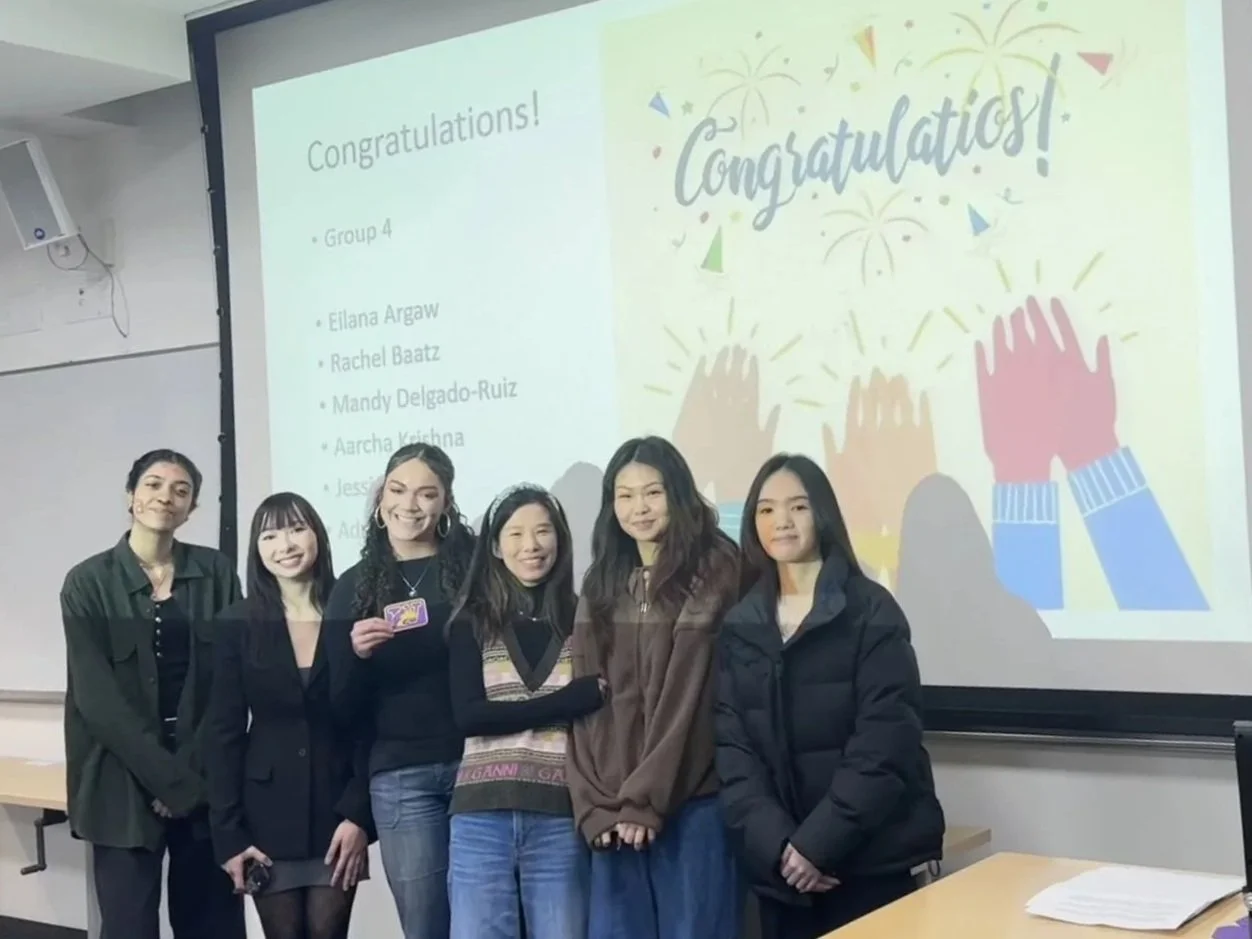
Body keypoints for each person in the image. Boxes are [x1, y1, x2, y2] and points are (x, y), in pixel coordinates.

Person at [715, 454, 945, 939]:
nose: (781, 521)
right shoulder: (740, 625)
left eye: (797, 506)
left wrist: (817, 845)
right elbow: (735, 754)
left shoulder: (871, 610)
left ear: (822, 514)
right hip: (784, 877)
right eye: (766, 509)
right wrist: (781, 848)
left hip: (869, 864)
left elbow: (885, 745)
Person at [61, 449, 246, 939]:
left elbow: (230, 683)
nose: (166, 497)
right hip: (121, 780)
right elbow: (96, 699)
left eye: (181, 491)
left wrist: (189, 774)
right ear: (131, 496)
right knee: (129, 927)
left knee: (213, 925)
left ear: (192, 508)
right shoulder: (87, 582)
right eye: (154, 485)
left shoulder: (216, 573)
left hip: (202, 775)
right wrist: (168, 781)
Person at [567, 436, 742, 939]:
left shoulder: (715, 566)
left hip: (692, 800)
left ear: (678, 494)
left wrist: (646, 799)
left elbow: (688, 695)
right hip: (615, 810)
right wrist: (593, 803)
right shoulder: (602, 579)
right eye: (624, 495)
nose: (638, 508)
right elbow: (586, 696)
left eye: (653, 492)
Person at [323, 443, 475, 939]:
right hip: (401, 779)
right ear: (380, 499)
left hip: (480, 765)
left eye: (426, 493)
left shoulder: (475, 571)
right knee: (426, 925)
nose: (410, 504)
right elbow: (340, 708)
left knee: (491, 921)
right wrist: (356, 655)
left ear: (446, 503)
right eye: (398, 490)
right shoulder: (353, 586)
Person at [206, 492, 373, 939]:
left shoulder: (353, 610)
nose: (286, 545)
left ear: (318, 534)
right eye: (270, 535)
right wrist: (230, 836)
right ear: (256, 549)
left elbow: (372, 721)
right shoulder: (236, 623)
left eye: (297, 529)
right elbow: (222, 734)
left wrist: (359, 815)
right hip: (265, 818)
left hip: (338, 814)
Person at [446, 483, 606, 939]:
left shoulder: (583, 619)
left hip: (560, 815)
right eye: (515, 534)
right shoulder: (471, 621)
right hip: (480, 816)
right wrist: (566, 702)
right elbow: (471, 717)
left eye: (542, 531)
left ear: (560, 539)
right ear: (496, 547)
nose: (531, 545)